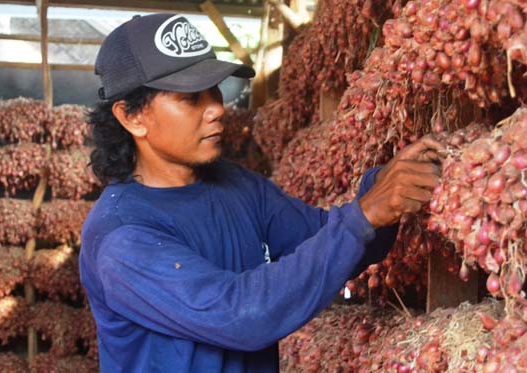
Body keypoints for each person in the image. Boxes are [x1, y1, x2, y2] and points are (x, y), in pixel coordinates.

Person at [79, 13, 443, 372]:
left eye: (215, 92)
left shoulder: (237, 186)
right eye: (191, 99)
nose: (217, 109)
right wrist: (364, 214)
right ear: (131, 117)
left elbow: (339, 242)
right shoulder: (123, 238)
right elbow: (242, 316)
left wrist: (385, 187)